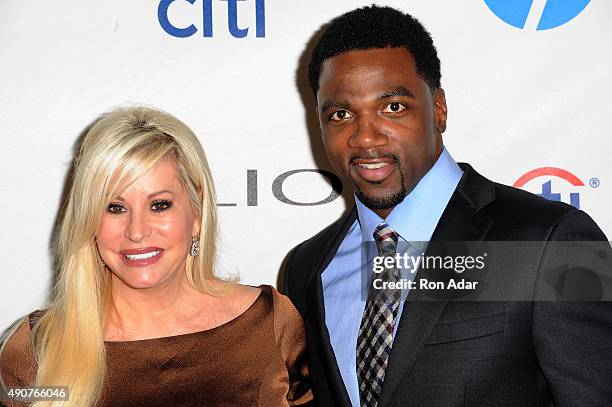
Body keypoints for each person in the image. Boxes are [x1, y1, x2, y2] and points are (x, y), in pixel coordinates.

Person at [283, 5, 612, 407]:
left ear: (439, 108)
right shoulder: (307, 268)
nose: (365, 138)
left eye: (393, 107)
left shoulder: (551, 242)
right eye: (340, 114)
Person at [0, 106, 312, 407]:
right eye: (115, 207)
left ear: (197, 212)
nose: (136, 231)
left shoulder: (269, 324)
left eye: (159, 205)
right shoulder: (36, 347)